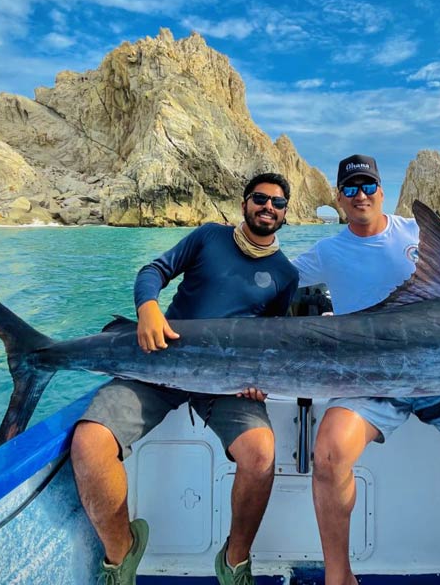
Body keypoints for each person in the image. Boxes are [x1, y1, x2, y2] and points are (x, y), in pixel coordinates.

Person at [292, 155, 440, 585]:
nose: (360, 195)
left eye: (368, 187)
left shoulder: (419, 232)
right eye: (350, 189)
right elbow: (274, 280)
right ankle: (339, 577)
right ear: (339, 199)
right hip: (370, 381)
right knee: (329, 453)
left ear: (382, 191)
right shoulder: (326, 252)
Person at [71, 172, 299, 585]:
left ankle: (234, 562)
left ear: (285, 213)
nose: (268, 207)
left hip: (228, 384)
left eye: (277, 203)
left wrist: (259, 382)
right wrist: (148, 309)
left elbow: (273, 337)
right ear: (245, 203)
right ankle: (121, 557)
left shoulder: (286, 274)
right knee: (89, 441)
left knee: (261, 454)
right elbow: (153, 270)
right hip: (160, 364)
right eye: (260, 199)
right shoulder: (209, 237)